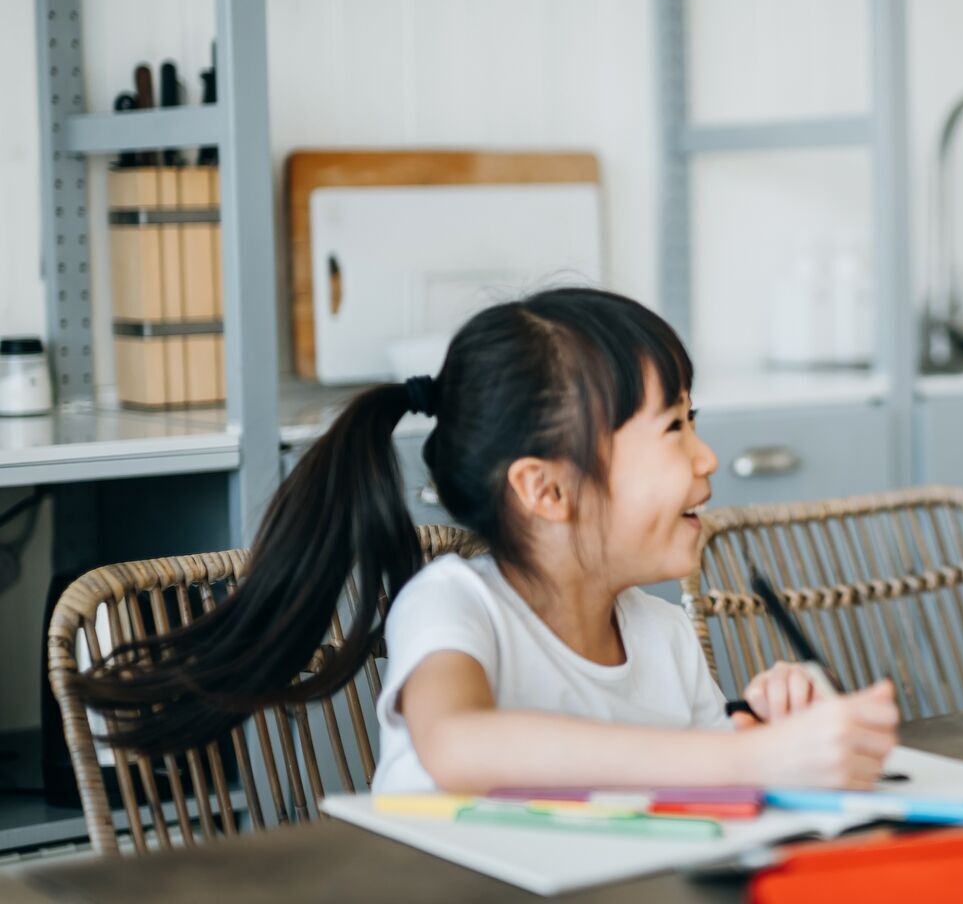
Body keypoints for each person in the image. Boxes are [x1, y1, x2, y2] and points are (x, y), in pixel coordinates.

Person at [78, 288, 899, 793]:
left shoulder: (659, 632)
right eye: (675, 426)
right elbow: (460, 746)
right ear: (545, 489)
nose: (707, 455)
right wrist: (743, 763)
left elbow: (706, 780)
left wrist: (769, 724)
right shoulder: (455, 605)